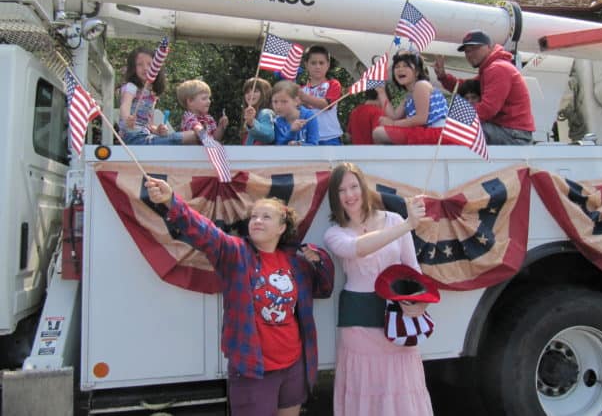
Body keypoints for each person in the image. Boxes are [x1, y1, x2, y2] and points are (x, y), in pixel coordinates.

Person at [144, 177, 334, 416]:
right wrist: (172, 202)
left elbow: (325, 288)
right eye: (254, 216)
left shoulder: (295, 260)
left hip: (294, 364)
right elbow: (205, 232)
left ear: (282, 227)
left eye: (266, 217)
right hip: (253, 368)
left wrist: (320, 261)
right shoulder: (235, 253)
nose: (256, 221)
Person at [323, 162, 433, 416]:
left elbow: (413, 271)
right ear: (335, 197)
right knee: (367, 390)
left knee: (401, 389)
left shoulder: (392, 220)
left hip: (397, 321)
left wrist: (421, 301)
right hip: (358, 323)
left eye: (353, 186)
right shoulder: (335, 233)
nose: (350, 195)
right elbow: (358, 248)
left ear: (363, 187)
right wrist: (407, 225)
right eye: (342, 190)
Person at [432, 29, 534, 145]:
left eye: (474, 49)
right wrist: (443, 77)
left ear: (488, 47)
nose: (469, 54)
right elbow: (465, 87)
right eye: (466, 51)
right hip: (509, 131)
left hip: (513, 135)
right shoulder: (491, 68)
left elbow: (487, 109)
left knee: (455, 132)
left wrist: (453, 118)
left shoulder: (497, 69)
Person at [118, 46, 201, 145]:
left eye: (150, 64)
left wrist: (158, 130)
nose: (145, 68)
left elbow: (149, 124)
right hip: (133, 138)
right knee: (190, 136)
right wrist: (127, 119)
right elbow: (125, 105)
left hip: (146, 136)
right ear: (133, 68)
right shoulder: (131, 87)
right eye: (139, 64)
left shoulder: (151, 94)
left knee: (193, 137)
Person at [372, 50, 448, 145]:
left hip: (437, 134)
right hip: (428, 133)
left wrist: (393, 124)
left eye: (405, 66)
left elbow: (421, 118)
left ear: (417, 72)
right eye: (397, 67)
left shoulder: (421, 85)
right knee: (379, 132)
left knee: (379, 133)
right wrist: (381, 92)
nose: (400, 69)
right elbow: (394, 116)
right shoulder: (409, 95)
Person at [298, 46, 344, 145]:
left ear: (328, 65)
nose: (317, 66)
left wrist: (304, 98)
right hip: (308, 138)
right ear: (306, 65)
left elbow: (326, 105)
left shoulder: (333, 84)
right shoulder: (302, 89)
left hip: (330, 137)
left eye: (321, 63)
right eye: (313, 63)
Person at [272, 80, 320, 146]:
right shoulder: (277, 121)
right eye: (275, 101)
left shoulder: (309, 116)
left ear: (296, 101)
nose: (278, 106)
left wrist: (298, 145)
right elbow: (279, 146)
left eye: (284, 102)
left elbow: (314, 144)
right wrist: (292, 132)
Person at [241, 77, 275, 145]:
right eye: (247, 92)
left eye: (255, 91)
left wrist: (252, 123)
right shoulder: (249, 115)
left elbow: (269, 135)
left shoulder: (266, 113)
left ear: (265, 93)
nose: (250, 94)